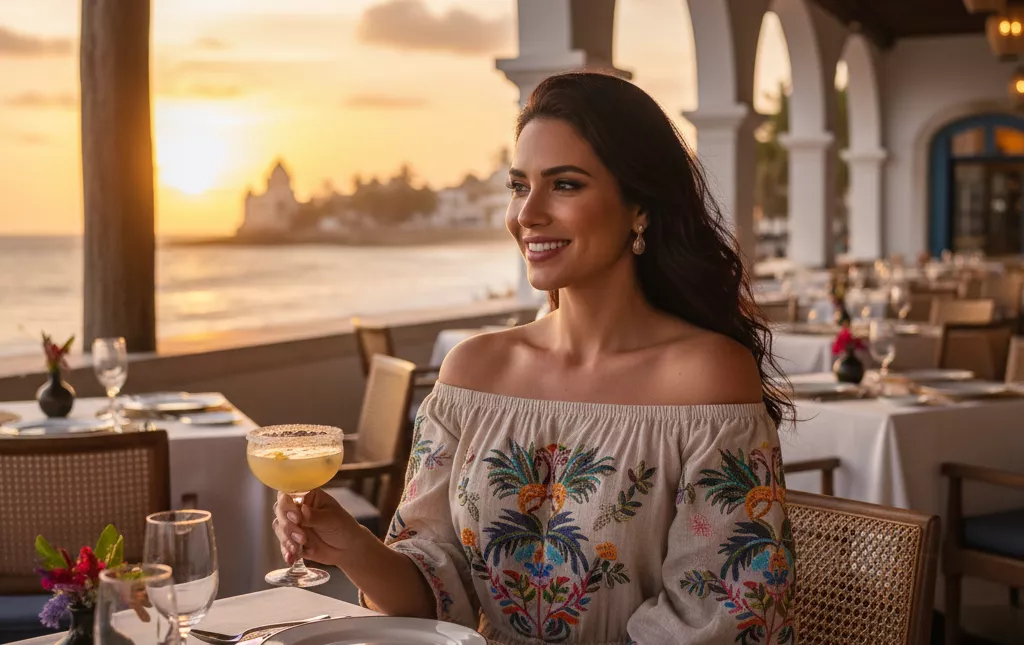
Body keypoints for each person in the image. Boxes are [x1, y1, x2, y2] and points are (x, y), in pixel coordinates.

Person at [273, 72, 796, 644]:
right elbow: (435, 595)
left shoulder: (706, 380)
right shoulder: (472, 374)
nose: (528, 214)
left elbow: (716, 620)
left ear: (639, 208)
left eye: (565, 185)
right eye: (519, 186)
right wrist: (351, 544)